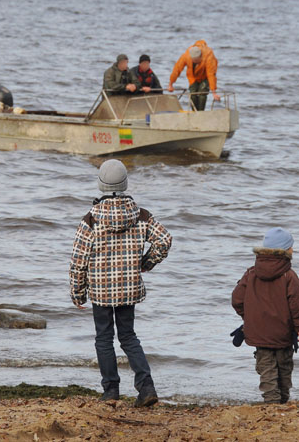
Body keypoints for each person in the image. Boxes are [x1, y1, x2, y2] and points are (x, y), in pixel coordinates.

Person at [69, 159, 173, 407]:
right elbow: (165, 240)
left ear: (100, 185)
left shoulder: (91, 219)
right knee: (128, 337)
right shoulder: (140, 215)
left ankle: (110, 391)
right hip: (129, 288)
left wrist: (78, 292)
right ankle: (146, 387)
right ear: (125, 183)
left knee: (103, 338)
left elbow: (78, 259)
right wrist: (146, 263)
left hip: (101, 289)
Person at [231, 227, 299, 404]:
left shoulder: (251, 273)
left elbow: (236, 299)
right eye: (291, 247)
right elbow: (297, 305)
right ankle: (282, 401)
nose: (293, 250)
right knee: (284, 367)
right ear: (285, 251)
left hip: (258, 332)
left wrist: (249, 318)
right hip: (283, 332)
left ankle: (271, 402)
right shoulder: (289, 275)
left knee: (266, 368)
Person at [168, 40, 220, 111]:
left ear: (201, 56)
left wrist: (214, 93)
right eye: (193, 61)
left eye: (197, 60)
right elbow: (177, 69)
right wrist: (171, 84)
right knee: (193, 94)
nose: (195, 62)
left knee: (202, 93)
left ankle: (200, 112)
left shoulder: (209, 56)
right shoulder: (186, 56)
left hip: (205, 76)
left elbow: (211, 74)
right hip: (193, 76)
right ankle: (194, 111)